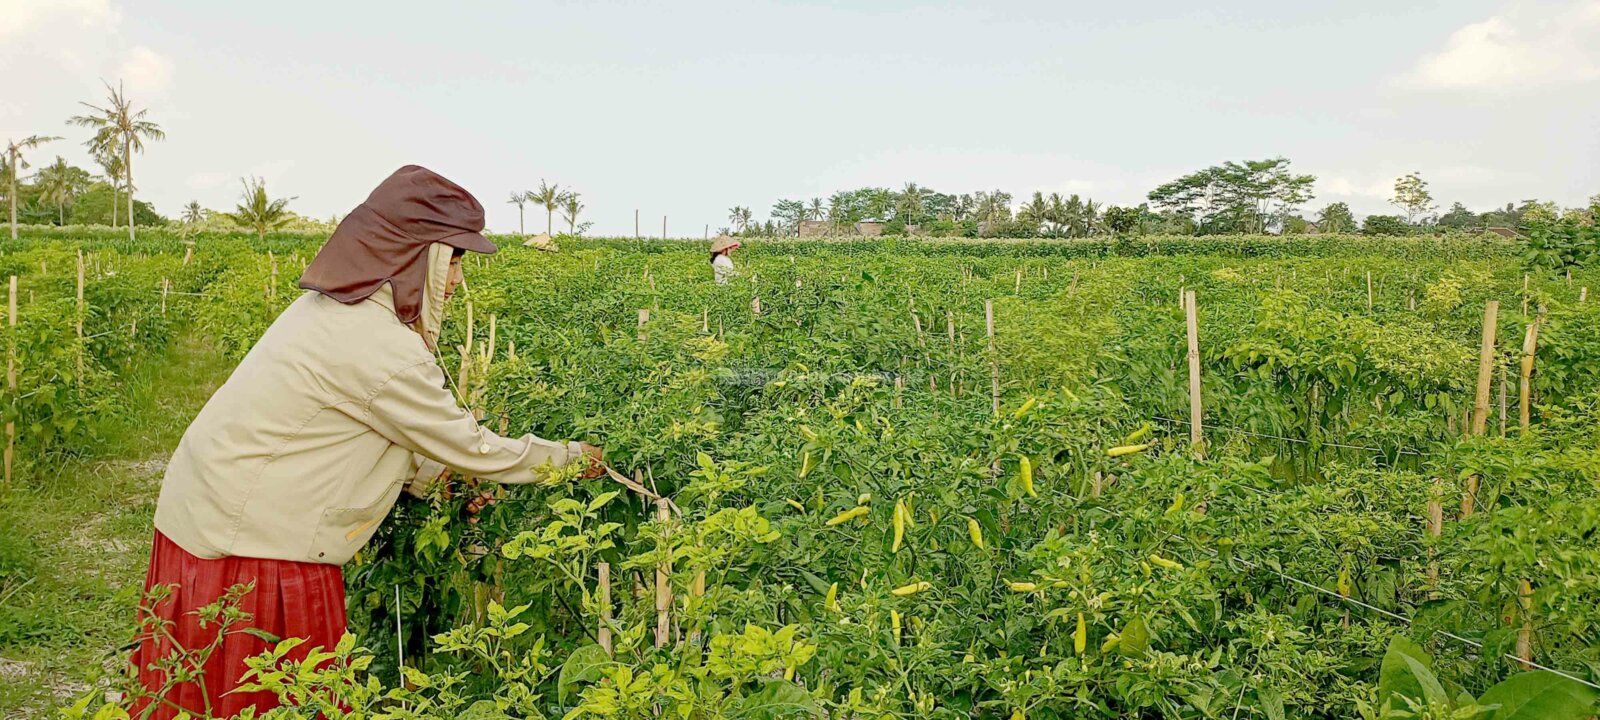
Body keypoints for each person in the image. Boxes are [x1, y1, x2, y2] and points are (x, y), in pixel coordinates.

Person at [133, 165, 602, 718]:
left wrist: (435, 479)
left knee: (201, 691)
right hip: (255, 547)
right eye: (453, 259)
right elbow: (470, 446)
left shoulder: (334, 309)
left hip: (212, 514)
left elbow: (362, 425)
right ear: (418, 254)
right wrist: (571, 461)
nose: (455, 280)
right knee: (277, 696)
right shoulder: (380, 346)